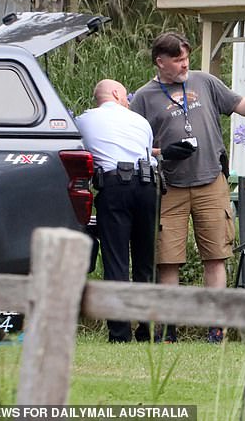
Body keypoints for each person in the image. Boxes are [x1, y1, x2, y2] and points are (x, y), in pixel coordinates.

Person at [129, 31, 245, 342]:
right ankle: (168, 328)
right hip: (169, 187)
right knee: (168, 259)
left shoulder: (204, 81)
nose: (184, 65)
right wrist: (163, 153)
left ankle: (216, 327)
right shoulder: (143, 97)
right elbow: (132, 145)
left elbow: (243, 106)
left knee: (216, 255)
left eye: (187, 59)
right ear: (159, 61)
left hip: (211, 182)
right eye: (177, 60)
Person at [76, 79, 158, 342]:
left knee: (116, 261)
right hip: (147, 186)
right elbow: (147, 154)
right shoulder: (140, 122)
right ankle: (146, 329)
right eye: (125, 96)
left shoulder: (83, 121)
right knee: (145, 262)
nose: (128, 101)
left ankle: (120, 333)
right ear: (115, 93)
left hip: (113, 187)